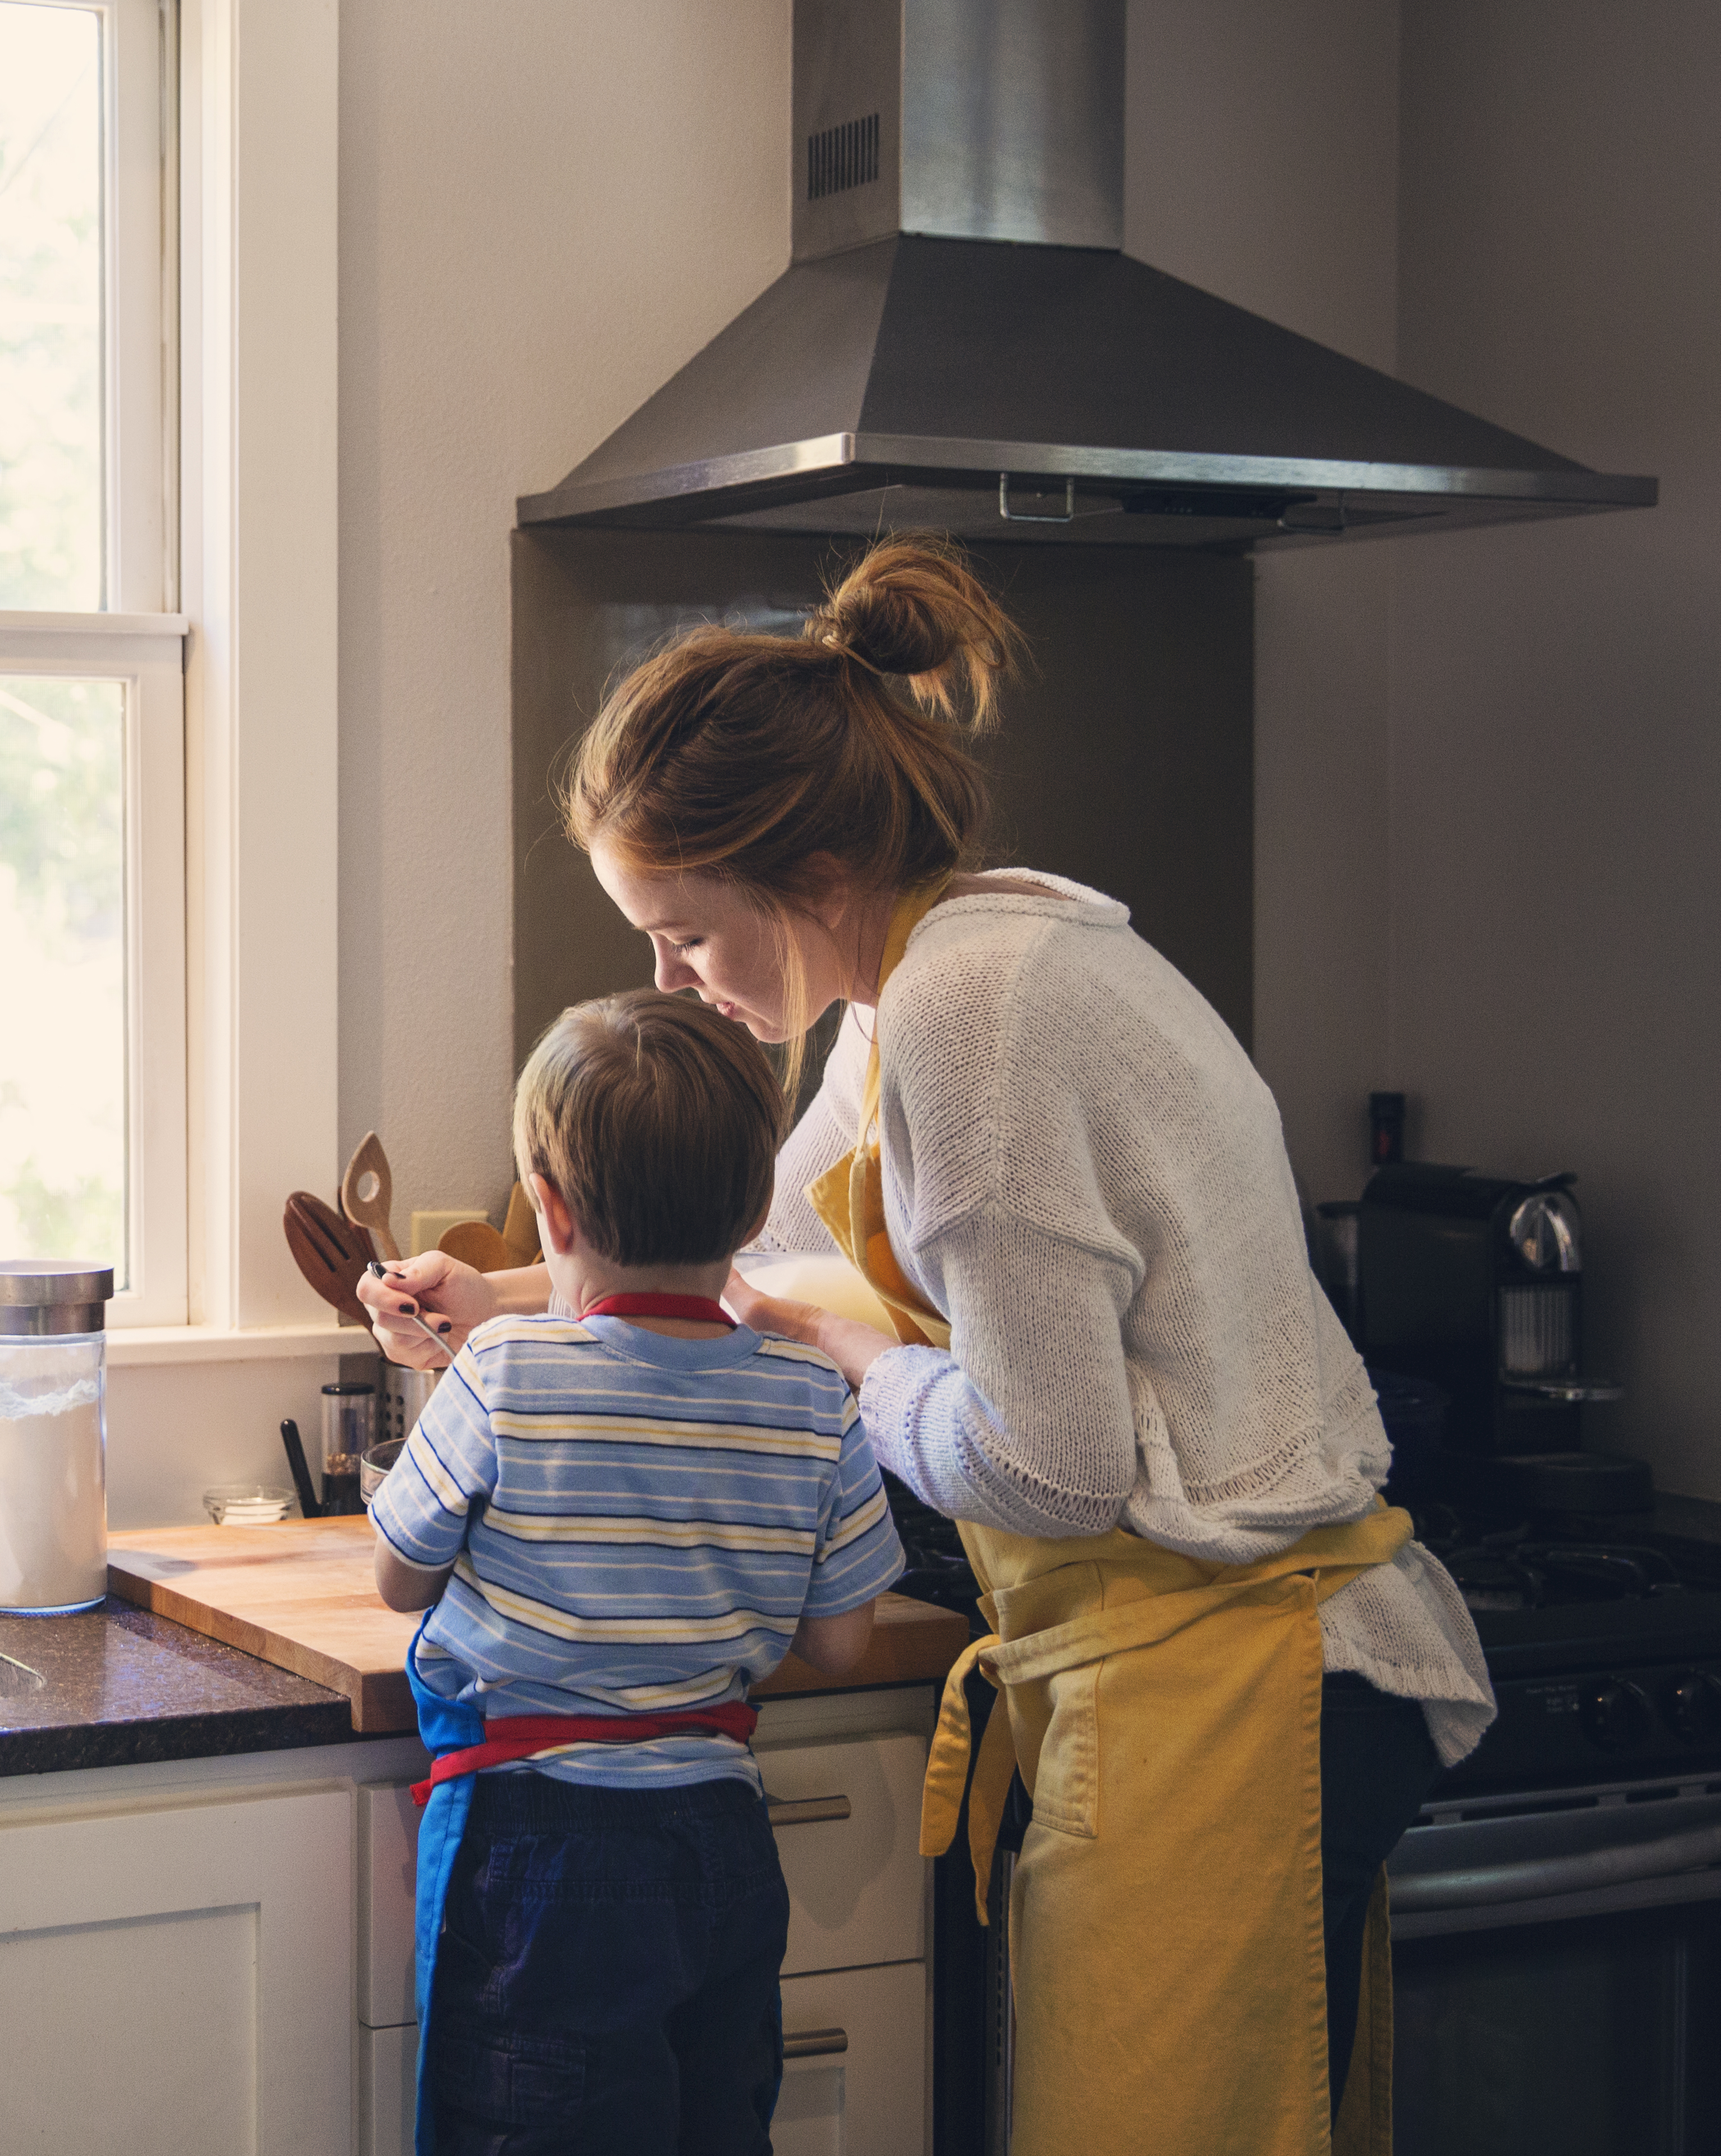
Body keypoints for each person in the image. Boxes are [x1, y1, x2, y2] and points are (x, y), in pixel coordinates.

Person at [363, 533, 1491, 2156]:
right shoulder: (928, 979)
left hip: (1234, 1675)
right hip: (1179, 1663)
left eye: (683, 934)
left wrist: (856, 1369)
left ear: (801, 877)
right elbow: (753, 1262)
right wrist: (495, 1300)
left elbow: (1050, 1464)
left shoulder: (974, 1018)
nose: (668, 978)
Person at [370, 989, 905, 2156]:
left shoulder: (503, 1368)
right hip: (721, 1844)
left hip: (538, 1855)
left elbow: (398, 1579)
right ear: (760, 1204)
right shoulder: (817, 1400)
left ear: (548, 1214)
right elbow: (844, 1643)